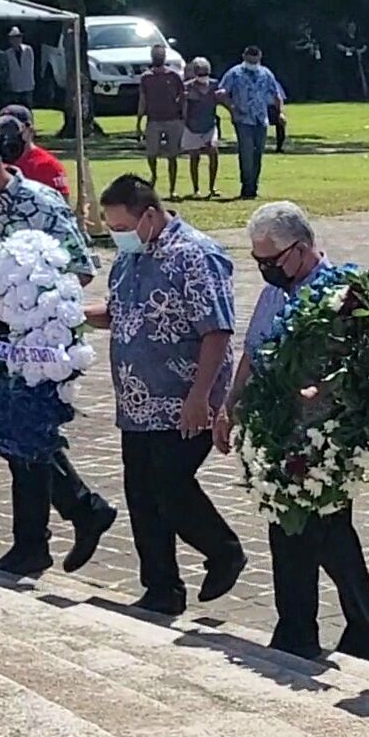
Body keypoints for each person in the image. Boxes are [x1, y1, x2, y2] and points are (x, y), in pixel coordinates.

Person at [214, 201, 369, 662]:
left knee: (319, 531)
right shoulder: (278, 288)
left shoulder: (341, 294)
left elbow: (364, 364)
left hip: (323, 436)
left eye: (270, 260)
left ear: (302, 247)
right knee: (298, 530)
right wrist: (230, 406)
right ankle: (322, 629)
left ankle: (324, 632)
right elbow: (252, 351)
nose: (265, 269)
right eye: (258, 262)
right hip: (277, 430)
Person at [0, 134, 116, 575]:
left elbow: (81, 269)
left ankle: (32, 545)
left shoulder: (41, 205)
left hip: (34, 335)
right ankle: (83, 508)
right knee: (5, 431)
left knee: (29, 433)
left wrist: (26, 297)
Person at [85, 173, 246, 615]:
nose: (116, 236)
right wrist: (70, 315)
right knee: (141, 491)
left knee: (170, 485)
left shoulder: (195, 255)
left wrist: (200, 396)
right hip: (137, 400)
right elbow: (119, 313)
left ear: (149, 215)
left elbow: (216, 330)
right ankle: (161, 588)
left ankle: (223, 550)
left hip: (183, 398)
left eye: (121, 227)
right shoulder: (130, 259)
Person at [218, 46, 284, 200]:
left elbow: (276, 94)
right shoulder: (234, 73)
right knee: (246, 153)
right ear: (244, 57)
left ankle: (254, 185)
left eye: (256, 60)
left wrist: (280, 112)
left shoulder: (265, 73)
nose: (253, 63)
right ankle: (246, 186)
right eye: (250, 59)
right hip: (243, 120)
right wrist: (232, 108)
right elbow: (222, 93)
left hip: (261, 119)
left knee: (258, 153)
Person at [136, 42, 185, 196]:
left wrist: (183, 116)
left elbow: (182, 97)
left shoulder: (174, 76)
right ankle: (154, 175)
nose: (159, 57)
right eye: (156, 55)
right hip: (153, 120)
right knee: (151, 154)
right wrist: (139, 121)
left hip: (173, 119)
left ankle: (172, 188)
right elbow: (142, 99)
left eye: (161, 54)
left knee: (173, 156)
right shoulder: (146, 78)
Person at [0, 110, 70, 199]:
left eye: (12, 129)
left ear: (29, 131)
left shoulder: (48, 165)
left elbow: (61, 204)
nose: (7, 135)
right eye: (2, 129)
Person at [181, 58, 221, 198]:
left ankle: (212, 187)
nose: (203, 76)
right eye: (200, 73)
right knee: (194, 157)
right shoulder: (188, 87)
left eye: (205, 73)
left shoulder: (215, 86)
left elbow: (223, 99)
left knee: (213, 151)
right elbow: (182, 106)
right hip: (192, 126)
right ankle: (196, 189)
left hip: (209, 124)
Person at [334, 21, 368, 100]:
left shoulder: (358, 37)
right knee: (347, 78)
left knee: (357, 78)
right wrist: (347, 49)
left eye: (354, 27)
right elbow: (338, 45)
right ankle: (346, 95)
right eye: (351, 27)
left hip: (357, 62)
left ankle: (358, 94)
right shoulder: (343, 37)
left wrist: (360, 51)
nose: (352, 28)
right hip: (346, 62)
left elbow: (365, 46)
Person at [5, 26, 35, 107]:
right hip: (15, 86)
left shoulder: (28, 49)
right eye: (14, 38)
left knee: (27, 109)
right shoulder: (7, 53)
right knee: (16, 109)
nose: (17, 40)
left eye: (18, 37)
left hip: (27, 85)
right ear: (10, 40)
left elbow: (31, 66)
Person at [268, 80, 288, 153]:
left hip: (273, 107)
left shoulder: (275, 84)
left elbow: (280, 98)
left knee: (281, 124)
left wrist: (280, 112)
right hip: (260, 107)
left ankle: (279, 146)